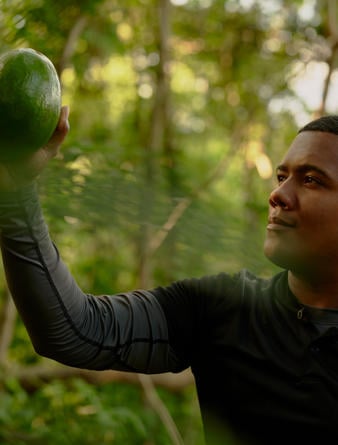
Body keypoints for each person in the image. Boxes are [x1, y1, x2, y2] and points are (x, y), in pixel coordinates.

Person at [0, 106, 338, 444]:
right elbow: (77, 330)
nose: (278, 195)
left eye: (311, 180)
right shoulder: (225, 308)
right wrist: (16, 192)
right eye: (281, 177)